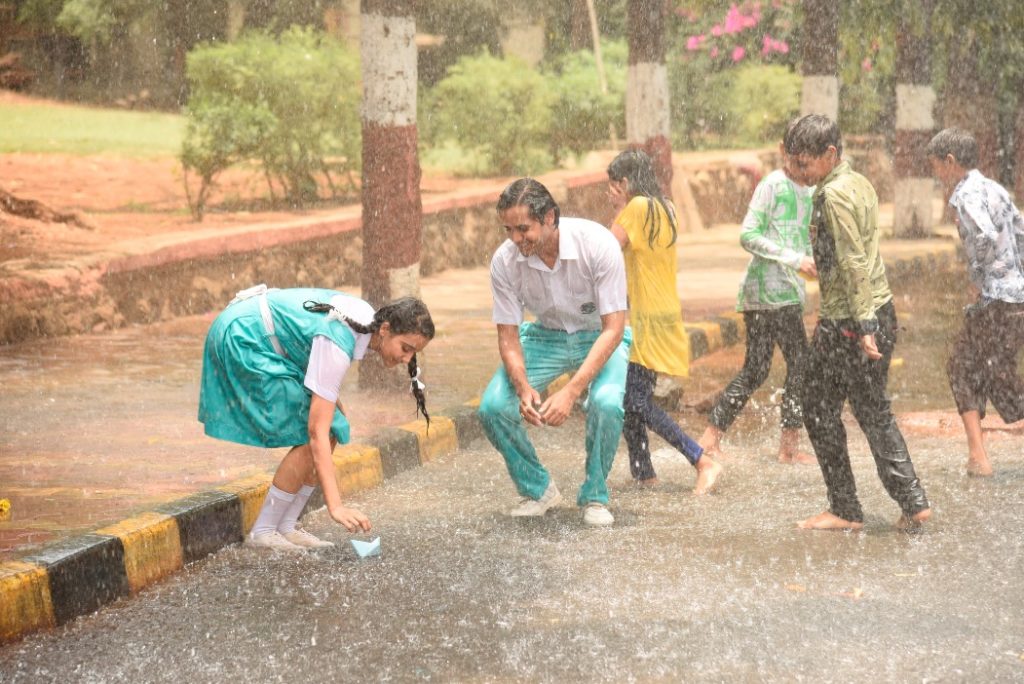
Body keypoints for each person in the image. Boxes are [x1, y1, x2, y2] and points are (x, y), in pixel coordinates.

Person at [199, 286, 434, 551]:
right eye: (406, 348)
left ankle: (286, 526)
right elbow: (315, 432)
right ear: (385, 329)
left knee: (334, 422)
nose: (407, 359)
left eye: (413, 353)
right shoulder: (339, 338)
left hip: (259, 336)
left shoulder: (364, 324)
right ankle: (263, 531)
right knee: (313, 431)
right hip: (244, 338)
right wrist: (336, 506)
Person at [785, 114, 931, 530]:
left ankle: (845, 509)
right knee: (871, 410)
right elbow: (860, 254)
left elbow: (852, 260)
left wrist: (864, 326)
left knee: (817, 406)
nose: (800, 171)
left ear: (830, 154)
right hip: (876, 310)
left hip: (851, 321)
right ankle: (912, 501)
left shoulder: (832, 196)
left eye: (806, 163)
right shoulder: (860, 182)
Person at [478, 178, 631, 527]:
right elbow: (508, 335)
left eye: (523, 229)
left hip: (599, 337)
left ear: (550, 218)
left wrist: (571, 391)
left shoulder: (598, 245)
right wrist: (522, 386)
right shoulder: (505, 261)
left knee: (606, 402)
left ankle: (594, 495)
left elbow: (613, 329)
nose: (516, 240)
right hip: (545, 336)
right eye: (508, 230)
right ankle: (538, 488)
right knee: (492, 406)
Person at [697, 123, 818, 465]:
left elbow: (804, 238)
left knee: (756, 369)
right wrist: (795, 259)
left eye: (807, 163)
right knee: (800, 366)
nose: (801, 169)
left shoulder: (809, 191)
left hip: (784, 292)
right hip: (768, 290)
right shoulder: (772, 186)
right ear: (783, 151)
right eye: (796, 162)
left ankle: (711, 437)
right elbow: (748, 235)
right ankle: (789, 449)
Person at [605, 149, 722, 494]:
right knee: (631, 397)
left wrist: (619, 210)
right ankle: (644, 473)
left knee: (636, 401)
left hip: (645, 319)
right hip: (662, 311)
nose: (610, 192)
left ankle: (700, 458)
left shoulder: (637, 208)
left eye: (613, 186)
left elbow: (606, 250)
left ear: (624, 182)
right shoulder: (665, 206)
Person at [927, 127, 1024, 476]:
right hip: (1015, 300)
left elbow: (982, 235)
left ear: (950, 162)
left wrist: (977, 278)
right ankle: (977, 455)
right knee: (986, 372)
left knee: (968, 371)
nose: (937, 175)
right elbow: (1021, 233)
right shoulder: (996, 188)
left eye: (937, 167)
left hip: (994, 299)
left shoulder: (965, 194)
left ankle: (979, 458)